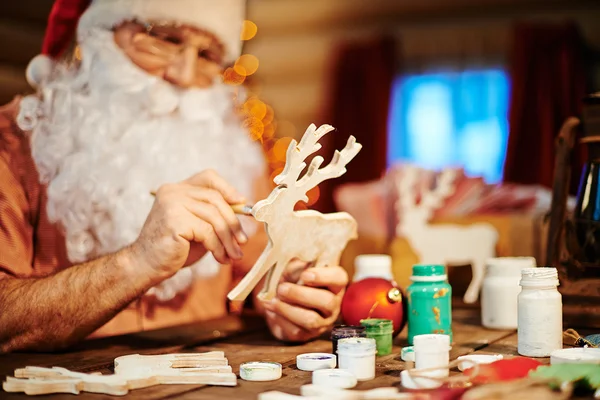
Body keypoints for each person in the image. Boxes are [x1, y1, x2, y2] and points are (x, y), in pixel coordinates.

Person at [0, 0, 348, 353]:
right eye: (164, 37)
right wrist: (137, 262)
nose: (182, 75)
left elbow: (256, 276)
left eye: (208, 55)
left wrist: (290, 300)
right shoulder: (12, 143)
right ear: (98, 32)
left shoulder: (235, 148)